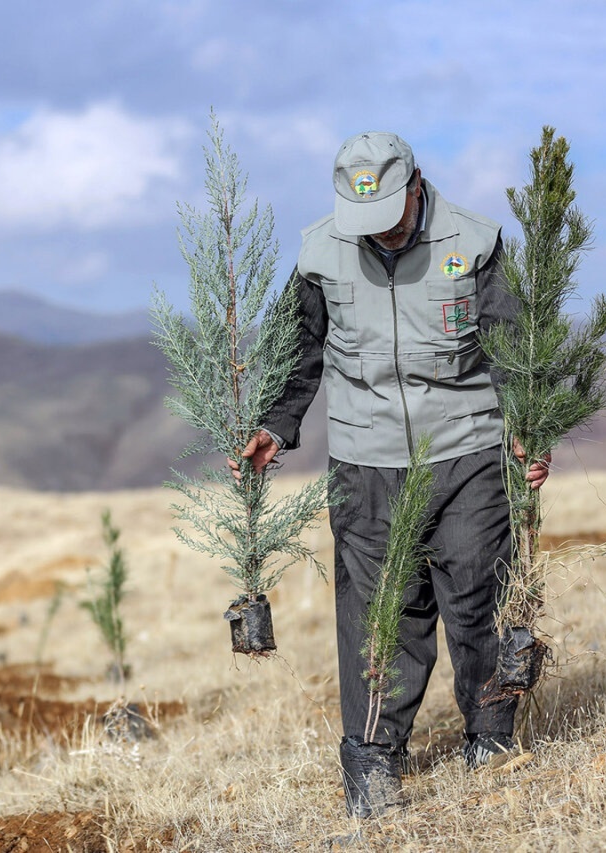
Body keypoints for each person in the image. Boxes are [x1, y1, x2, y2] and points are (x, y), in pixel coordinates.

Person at [230, 131, 550, 815]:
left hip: (465, 446)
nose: (378, 234)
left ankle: (490, 736)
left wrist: (527, 420)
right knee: (378, 615)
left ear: (417, 185)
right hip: (366, 457)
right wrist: (275, 424)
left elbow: (509, 343)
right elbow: (300, 350)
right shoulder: (321, 252)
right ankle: (374, 758)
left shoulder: (476, 242)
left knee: (474, 598)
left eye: (390, 217)